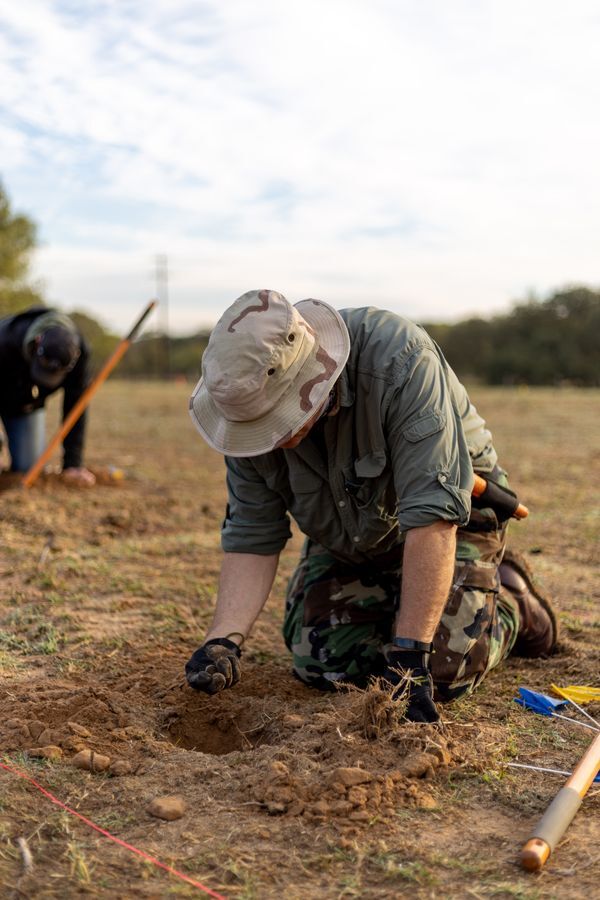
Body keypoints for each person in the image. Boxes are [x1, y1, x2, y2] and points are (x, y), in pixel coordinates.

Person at [184, 289, 557, 722]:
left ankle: (510, 598)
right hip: (351, 533)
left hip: (456, 516)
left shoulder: (400, 361)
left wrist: (411, 653)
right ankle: (415, 599)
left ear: (313, 377)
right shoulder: (244, 407)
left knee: (441, 669)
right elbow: (253, 532)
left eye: (276, 421)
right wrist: (222, 641)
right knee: (323, 660)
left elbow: (432, 517)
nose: (270, 439)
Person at [0, 306, 95, 485]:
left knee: (28, 468)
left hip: (24, 406)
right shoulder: (6, 339)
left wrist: (72, 464)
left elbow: (76, 407)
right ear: (37, 342)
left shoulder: (79, 354)